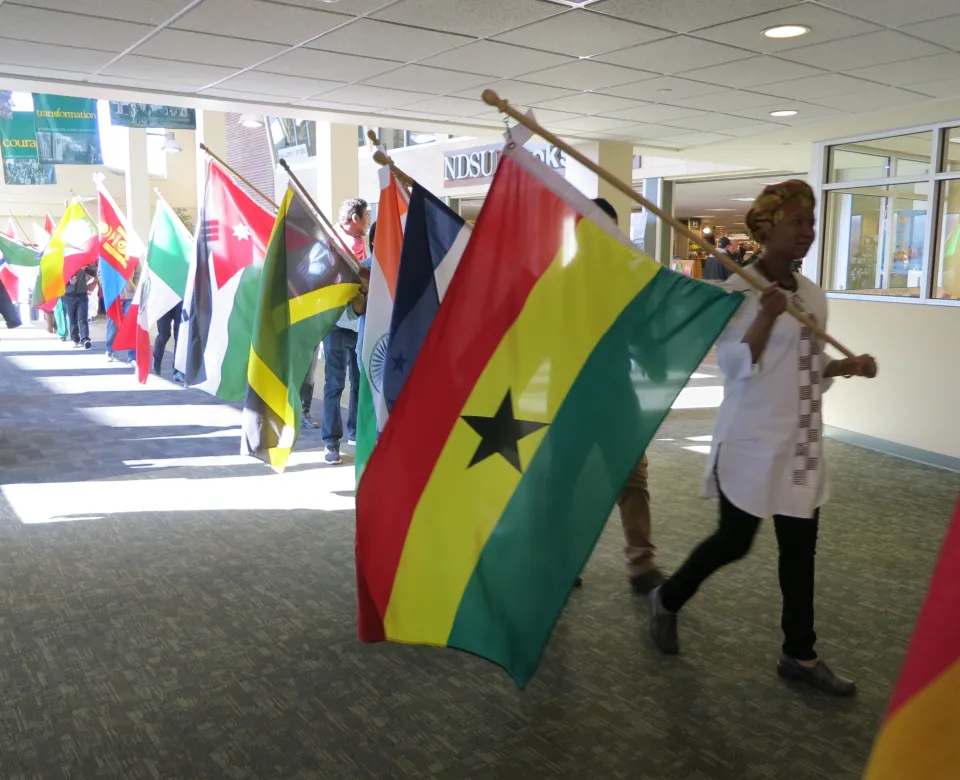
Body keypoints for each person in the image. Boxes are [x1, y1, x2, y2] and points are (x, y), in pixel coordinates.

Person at [648, 180, 878, 696]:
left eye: (811, 224)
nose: (808, 232)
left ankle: (800, 654)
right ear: (769, 226)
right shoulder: (738, 291)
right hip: (751, 441)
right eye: (798, 222)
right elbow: (733, 366)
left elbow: (808, 364)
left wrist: (848, 365)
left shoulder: (813, 295)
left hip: (800, 444)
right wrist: (765, 317)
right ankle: (667, 598)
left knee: (800, 551)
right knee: (735, 541)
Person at [577, 198, 666, 593]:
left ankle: (641, 562)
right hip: (568, 402)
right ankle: (559, 563)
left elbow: (642, 331)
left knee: (632, 480)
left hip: (617, 397)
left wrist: (654, 358)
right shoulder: (558, 280)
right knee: (563, 483)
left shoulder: (626, 280)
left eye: (608, 228)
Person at [308, 199, 370, 466]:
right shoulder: (329, 243)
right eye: (366, 216)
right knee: (334, 383)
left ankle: (356, 434)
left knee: (360, 382)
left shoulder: (365, 246)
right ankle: (331, 441)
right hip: (336, 324)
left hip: (361, 324)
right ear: (355, 218)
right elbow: (314, 277)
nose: (368, 220)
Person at [102, 263, 138, 366]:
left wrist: (136, 285)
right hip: (113, 296)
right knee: (112, 325)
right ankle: (109, 350)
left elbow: (138, 272)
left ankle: (132, 357)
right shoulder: (108, 251)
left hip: (130, 296)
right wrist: (106, 286)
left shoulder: (132, 253)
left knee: (131, 325)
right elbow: (101, 272)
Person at [63, 264, 97, 349]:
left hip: (82, 295)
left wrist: (86, 268)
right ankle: (75, 339)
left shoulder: (83, 262)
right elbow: (60, 280)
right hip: (69, 295)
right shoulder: (65, 264)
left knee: (83, 318)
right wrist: (70, 282)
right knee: (72, 319)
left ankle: (85, 339)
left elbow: (94, 273)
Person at [154, 302, 185, 383]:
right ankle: (156, 360)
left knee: (179, 336)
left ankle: (177, 371)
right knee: (164, 335)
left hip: (180, 302)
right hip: (163, 301)